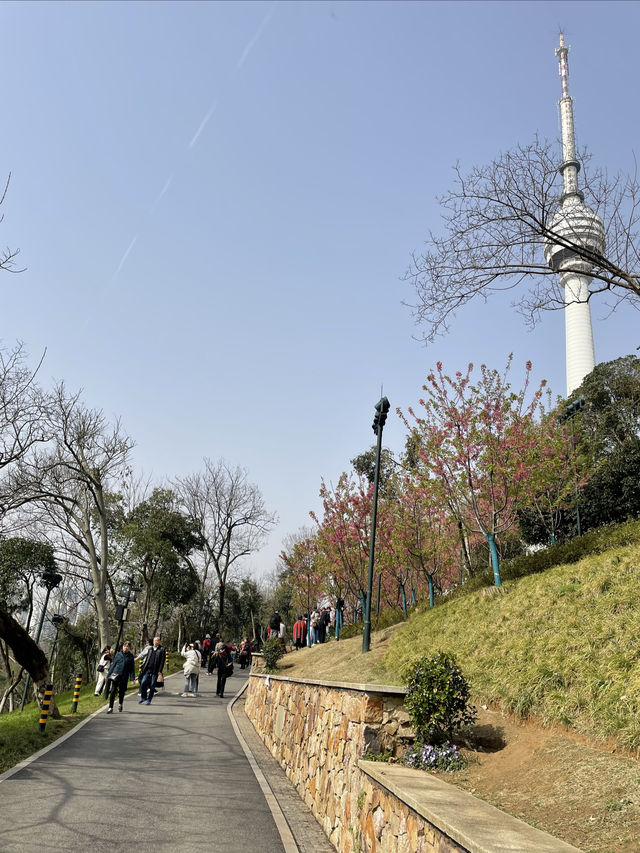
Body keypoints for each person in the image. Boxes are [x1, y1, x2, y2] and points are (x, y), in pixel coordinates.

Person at [106, 641, 135, 713]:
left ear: (129, 648)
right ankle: (110, 707)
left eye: (128, 646)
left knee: (121, 692)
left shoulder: (131, 656)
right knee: (113, 691)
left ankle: (120, 704)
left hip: (124, 676)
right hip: (116, 675)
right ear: (122, 647)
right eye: (125, 646)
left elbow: (132, 668)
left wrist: (132, 678)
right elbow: (113, 665)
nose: (126, 647)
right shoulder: (118, 654)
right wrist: (108, 675)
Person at [138, 636, 165, 706]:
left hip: (156, 670)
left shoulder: (162, 650)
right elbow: (147, 659)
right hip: (148, 669)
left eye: (157, 640)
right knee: (143, 682)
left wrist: (160, 671)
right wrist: (143, 668)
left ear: (159, 642)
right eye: (155, 640)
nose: (156, 642)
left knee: (152, 685)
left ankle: (149, 699)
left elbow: (162, 661)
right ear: (153, 641)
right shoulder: (150, 649)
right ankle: (143, 697)